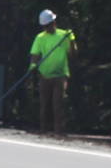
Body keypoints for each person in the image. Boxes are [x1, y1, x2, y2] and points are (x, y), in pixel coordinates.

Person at [29, 9, 76, 137]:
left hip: (60, 74)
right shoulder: (40, 38)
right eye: (45, 26)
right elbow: (35, 54)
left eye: (49, 25)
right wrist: (33, 65)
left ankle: (58, 131)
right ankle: (43, 130)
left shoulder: (63, 36)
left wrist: (71, 40)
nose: (47, 28)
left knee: (58, 103)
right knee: (44, 104)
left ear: (53, 22)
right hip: (44, 75)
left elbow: (72, 54)